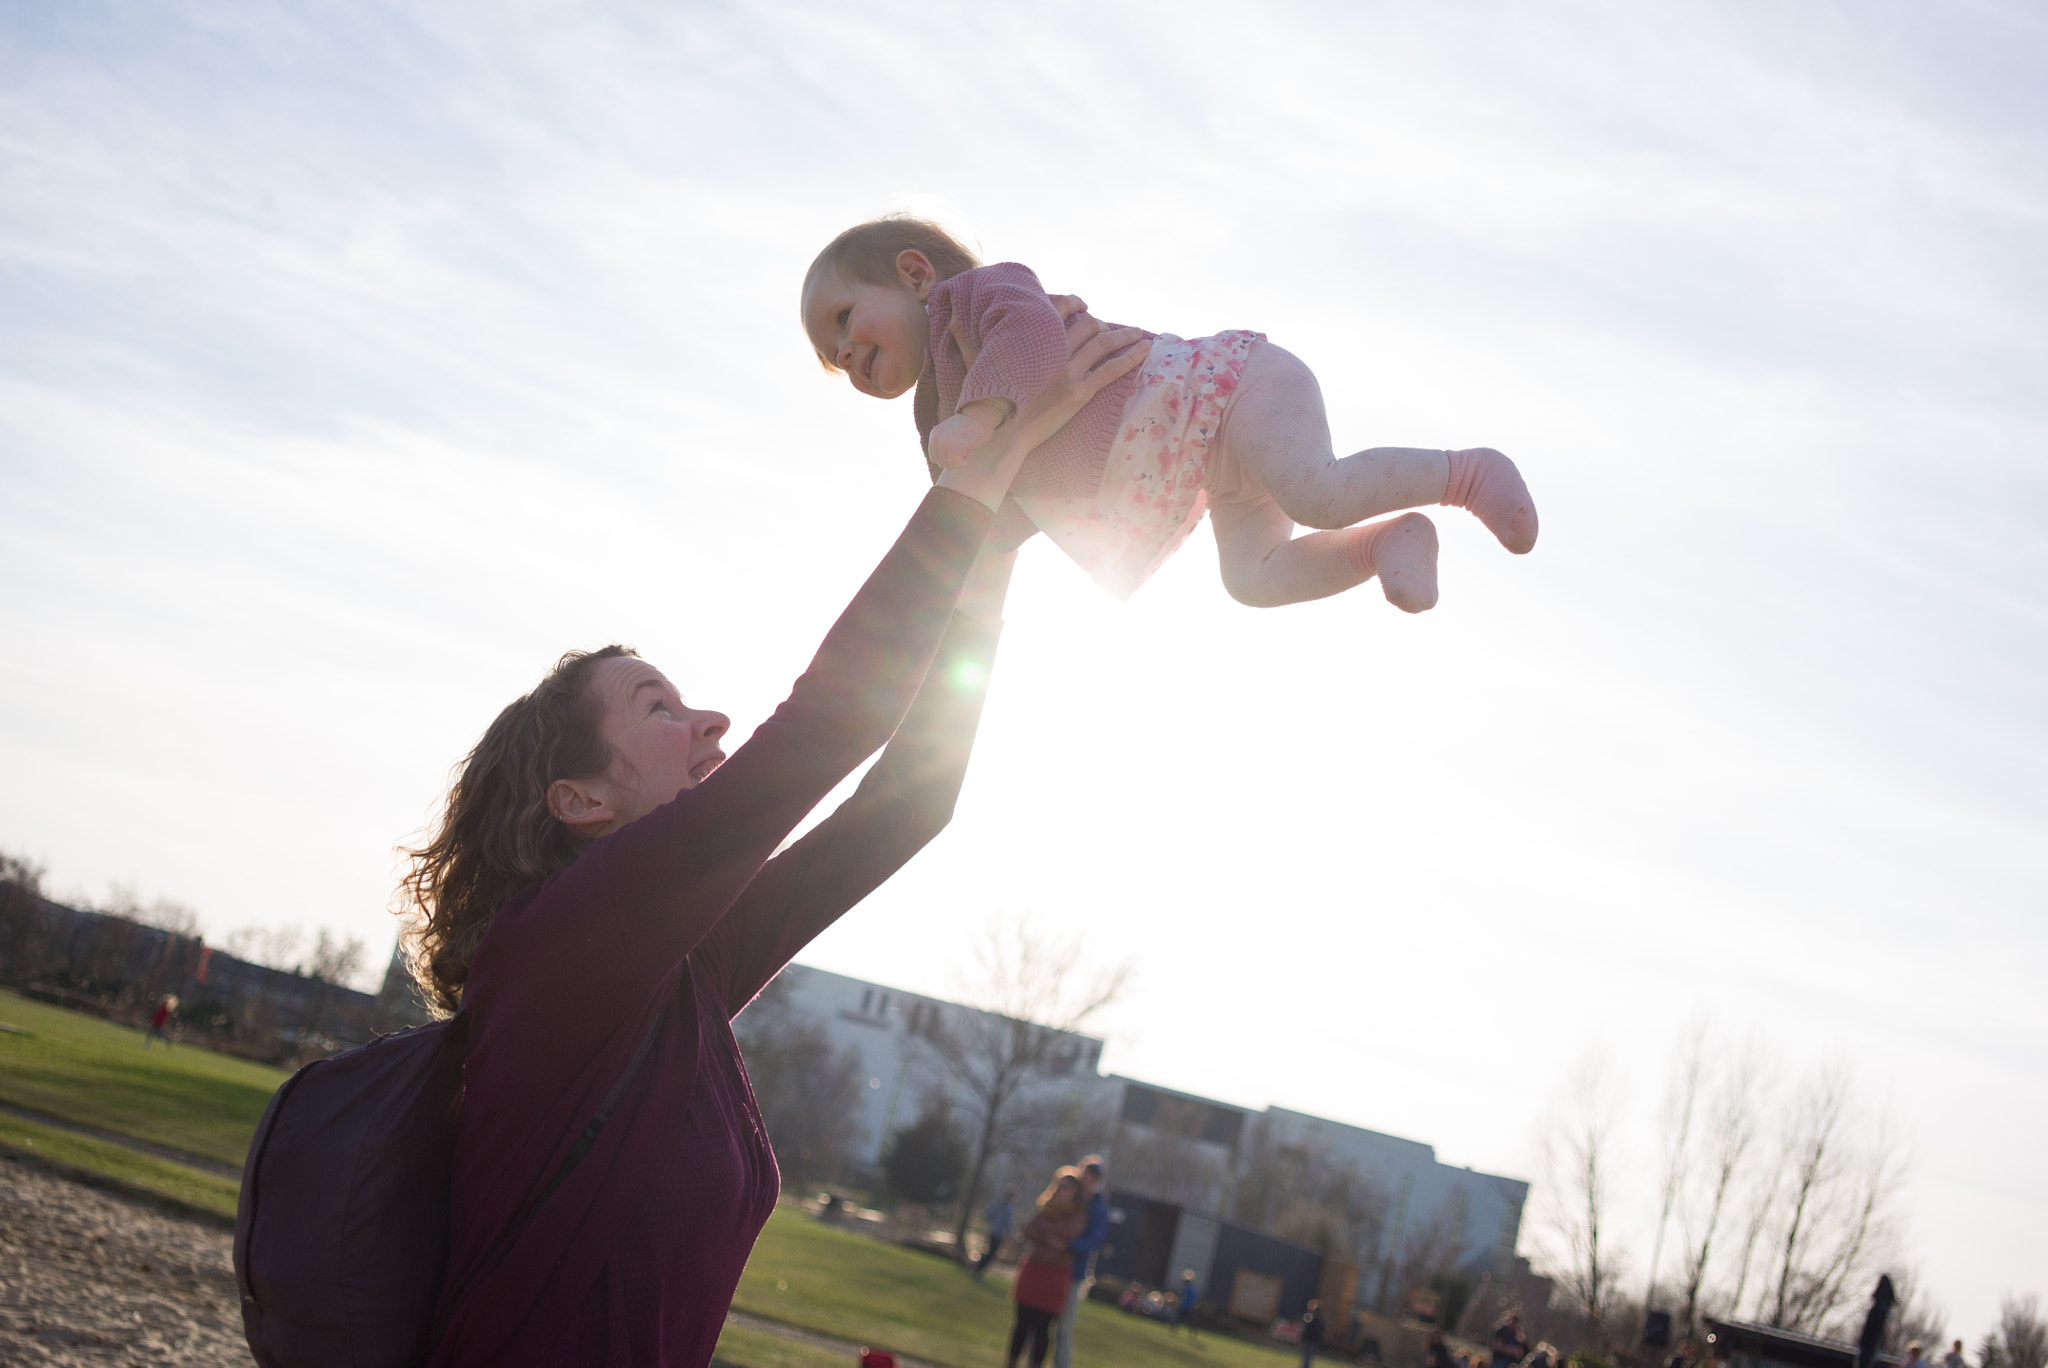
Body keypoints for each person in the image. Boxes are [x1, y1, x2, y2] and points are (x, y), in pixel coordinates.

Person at [400, 307, 1147, 1368]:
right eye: (658, 709)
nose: (707, 720)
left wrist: (991, 549)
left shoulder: (681, 975)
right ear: (575, 801)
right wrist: (970, 482)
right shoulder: (555, 946)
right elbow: (829, 727)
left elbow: (906, 805)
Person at [801, 216, 1537, 613]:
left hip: (1229, 393)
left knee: (1319, 492)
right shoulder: (942, 417)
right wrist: (970, 562)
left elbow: (1027, 345)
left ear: (915, 274)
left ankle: (1467, 475)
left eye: (842, 319)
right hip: (1212, 468)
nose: (845, 352)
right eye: (833, 357)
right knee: (1249, 580)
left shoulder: (984, 299)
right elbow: (998, 506)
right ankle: (1384, 546)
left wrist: (980, 418)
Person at [1008, 1169, 1089, 1368]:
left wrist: (1047, 1234)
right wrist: (1051, 1238)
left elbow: (1070, 1233)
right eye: (1061, 1186)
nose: (1064, 1191)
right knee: (1022, 1324)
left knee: (1043, 1328)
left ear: (1075, 1191)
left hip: (1056, 1274)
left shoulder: (1077, 1214)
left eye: (1069, 1188)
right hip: (1034, 1269)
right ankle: (1010, 1363)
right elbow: (1028, 1229)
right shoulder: (1045, 1206)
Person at [1054, 1156, 1110, 1368]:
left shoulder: (1096, 1206)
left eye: (1093, 1176)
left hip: (1073, 1272)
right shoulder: (1070, 1194)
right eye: (1086, 1173)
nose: (1088, 1179)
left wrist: (1067, 1244)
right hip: (1053, 1265)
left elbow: (1094, 1240)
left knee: (1064, 1328)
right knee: (1041, 1321)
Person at [975, 1190, 1018, 1280]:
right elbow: (1008, 1224)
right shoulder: (1009, 1209)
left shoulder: (997, 1205)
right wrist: (1009, 1235)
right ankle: (979, 1269)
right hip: (999, 1235)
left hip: (992, 1232)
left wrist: (992, 1223)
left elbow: (987, 1215)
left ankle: (978, 1267)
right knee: (991, 1253)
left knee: (989, 1251)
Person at [1171, 1270, 1200, 1341]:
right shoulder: (1193, 1289)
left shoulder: (1186, 1288)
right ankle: (1192, 1334)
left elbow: (1183, 1298)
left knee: (1177, 1319)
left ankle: (1174, 1330)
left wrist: (1179, 1304)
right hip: (1190, 1307)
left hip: (1184, 1307)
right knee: (1190, 1322)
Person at [1302, 1298, 1327, 1368]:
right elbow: (1321, 1333)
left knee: (1306, 1358)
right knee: (1309, 1359)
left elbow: (1307, 1330)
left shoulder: (1312, 1320)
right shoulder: (1321, 1322)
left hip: (1309, 1342)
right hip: (1314, 1343)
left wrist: (1304, 1339)